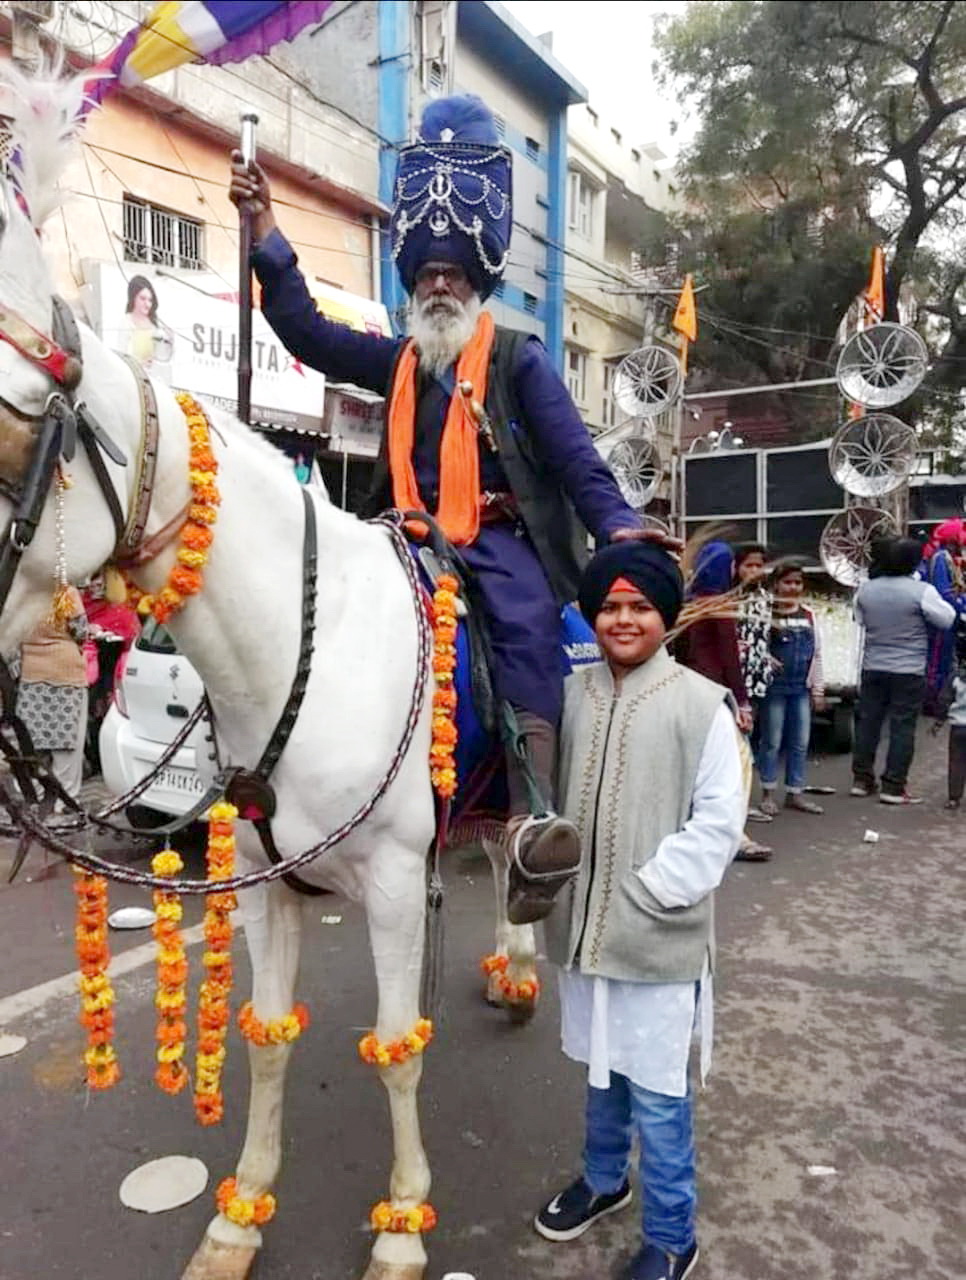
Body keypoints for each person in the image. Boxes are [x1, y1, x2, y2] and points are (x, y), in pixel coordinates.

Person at [229, 94, 657, 924]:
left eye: (451, 276)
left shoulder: (522, 361)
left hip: (493, 542)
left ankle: (532, 821)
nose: (437, 285)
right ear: (412, 286)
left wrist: (618, 526)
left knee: (531, 629)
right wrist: (267, 234)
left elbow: (574, 457)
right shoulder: (393, 358)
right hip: (398, 537)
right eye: (426, 275)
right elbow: (307, 333)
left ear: (475, 286)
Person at [536, 541, 743, 1280]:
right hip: (582, 932)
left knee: (657, 1091)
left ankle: (670, 1234)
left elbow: (719, 821)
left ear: (667, 615)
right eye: (610, 607)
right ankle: (602, 1180)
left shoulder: (699, 704)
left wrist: (650, 892)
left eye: (640, 607)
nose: (623, 619)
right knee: (600, 1066)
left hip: (655, 935)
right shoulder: (567, 692)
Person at [852, 537, 956, 803]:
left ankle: (862, 780)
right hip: (908, 670)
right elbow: (946, 619)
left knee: (868, 723)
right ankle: (893, 787)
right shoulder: (921, 591)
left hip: (873, 666)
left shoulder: (866, 590)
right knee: (902, 726)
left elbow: (859, 621)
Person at [756, 559, 825, 816]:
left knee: (800, 743)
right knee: (771, 741)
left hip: (800, 689)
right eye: (787, 582)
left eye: (797, 582)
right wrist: (765, 658)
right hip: (775, 688)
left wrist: (818, 690)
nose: (793, 587)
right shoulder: (765, 613)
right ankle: (767, 794)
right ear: (776, 585)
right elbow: (755, 647)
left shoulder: (809, 615)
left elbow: (817, 654)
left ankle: (795, 792)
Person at [16, 586, 90, 806]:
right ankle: (65, 801)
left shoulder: (23, 593)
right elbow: (80, 631)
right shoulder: (66, 592)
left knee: (33, 741)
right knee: (67, 742)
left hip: (31, 673)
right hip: (66, 672)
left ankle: (38, 796)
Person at [675, 541, 752, 728]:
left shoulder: (687, 605)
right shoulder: (720, 607)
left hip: (689, 685)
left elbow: (681, 651)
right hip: (715, 688)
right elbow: (729, 659)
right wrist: (743, 703)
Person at [732, 542, 774, 857]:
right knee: (736, 749)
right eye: (748, 565)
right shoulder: (725, 599)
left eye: (759, 565)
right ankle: (733, 815)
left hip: (757, 678)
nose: (754, 571)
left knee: (749, 744)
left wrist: (766, 656)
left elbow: (762, 634)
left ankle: (742, 805)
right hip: (735, 680)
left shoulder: (764, 597)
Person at [921, 519, 964, 716]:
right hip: (941, 620)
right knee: (936, 662)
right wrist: (961, 604)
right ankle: (932, 702)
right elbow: (943, 592)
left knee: (944, 661)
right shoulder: (940, 558)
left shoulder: (946, 557)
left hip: (949, 618)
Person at [121, 274, 174, 375]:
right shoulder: (126, 321)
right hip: (135, 376)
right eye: (142, 298)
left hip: (156, 377)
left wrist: (170, 341)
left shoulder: (156, 324)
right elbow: (121, 355)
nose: (147, 304)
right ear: (133, 298)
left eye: (150, 300)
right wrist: (139, 364)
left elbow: (165, 358)